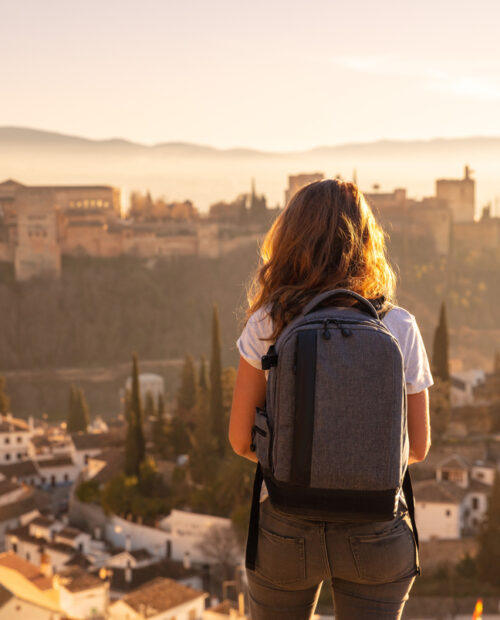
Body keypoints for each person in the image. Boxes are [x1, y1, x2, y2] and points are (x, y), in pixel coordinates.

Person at [229, 179, 433, 620]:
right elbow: (416, 449)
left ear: (290, 240)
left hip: (286, 525)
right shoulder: (399, 326)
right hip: (377, 532)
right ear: (366, 242)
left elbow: (241, 439)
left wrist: (302, 467)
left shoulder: (268, 322)